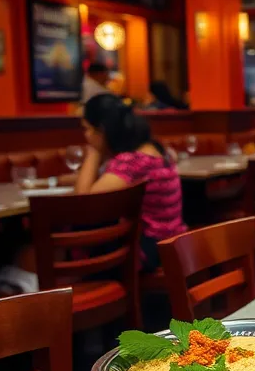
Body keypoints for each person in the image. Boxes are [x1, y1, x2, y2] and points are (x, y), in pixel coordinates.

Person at [75, 94, 186, 270]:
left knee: (72, 235)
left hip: (151, 250)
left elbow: (83, 204)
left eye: (87, 129)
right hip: (171, 240)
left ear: (101, 130)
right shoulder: (153, 149)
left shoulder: (132, 162)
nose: (86, 136)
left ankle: (53, 291)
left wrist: (94, 151)